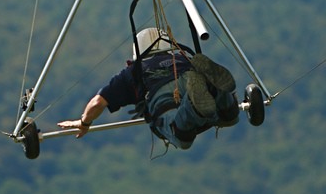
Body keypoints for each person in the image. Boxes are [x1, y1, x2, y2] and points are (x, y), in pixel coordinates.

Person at [58, 28, 240, 149]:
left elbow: (98, 102)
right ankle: (217, 92)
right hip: (187, 74)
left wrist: (84, 122)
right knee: (229, 116)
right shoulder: (182, 58)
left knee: (181, 133)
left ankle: (192, 105)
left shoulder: (133, 71)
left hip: (162, 94)